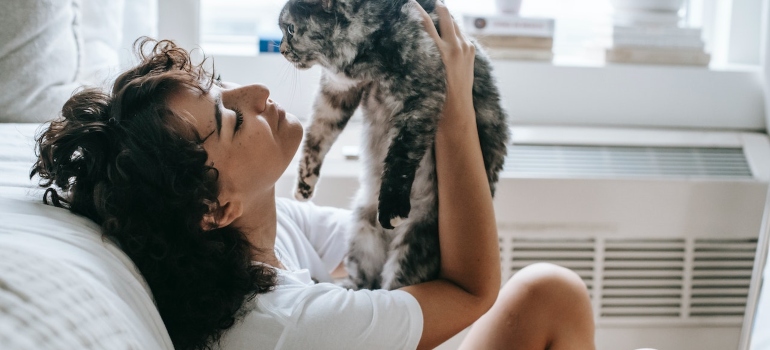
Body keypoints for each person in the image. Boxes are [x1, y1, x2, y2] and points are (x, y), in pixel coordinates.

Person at [31, 1, 595, 349]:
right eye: (230, 118)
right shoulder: (290, 327)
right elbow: (472, 289)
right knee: (554, 293)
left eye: (223, 86)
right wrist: (453, 110)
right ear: (216, 207)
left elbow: (398, 242)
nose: (255, 92)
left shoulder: (260, 236)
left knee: (547, 294)